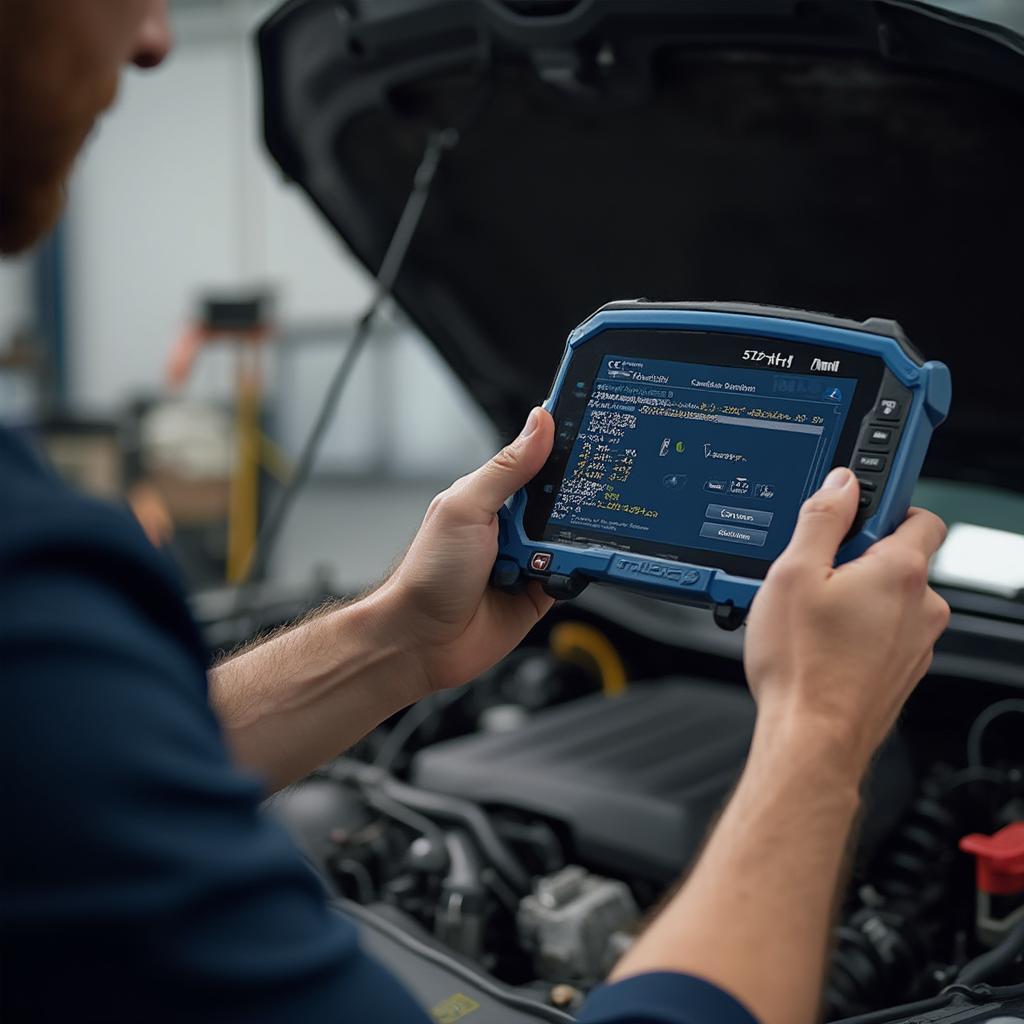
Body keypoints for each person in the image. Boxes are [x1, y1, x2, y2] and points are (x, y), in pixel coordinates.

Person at [0, 3, 951, 1022]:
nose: (155, 36)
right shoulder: (35, 578)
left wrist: (400, 639)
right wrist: (819, 732)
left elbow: (78, 789)